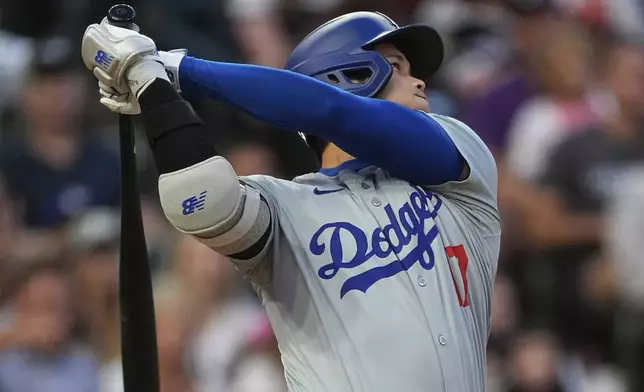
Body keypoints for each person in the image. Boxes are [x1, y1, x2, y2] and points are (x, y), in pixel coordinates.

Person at [81, 11, 500, 391]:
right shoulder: (286, 203)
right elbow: (203, 198)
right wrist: (154, 91)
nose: (421, 81)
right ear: (351, 75)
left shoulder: (462, 161)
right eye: (396, 68)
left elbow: (334, 112)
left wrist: (174, 69)